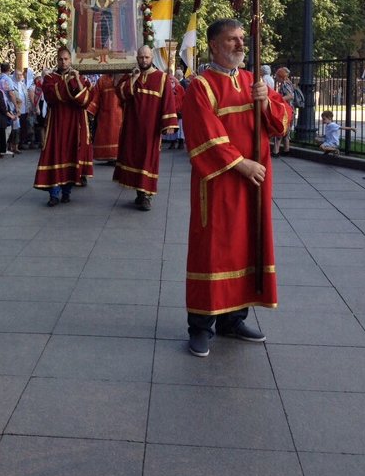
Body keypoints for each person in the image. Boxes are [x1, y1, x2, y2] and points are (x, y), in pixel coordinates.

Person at [182, 18, 293, 357]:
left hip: (254, 183)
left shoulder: (253, 81)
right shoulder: (201, 85)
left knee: (247, 247)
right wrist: (241, 164)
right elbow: (204, 132)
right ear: (214, 45)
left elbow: (281, 121)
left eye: (242, 39)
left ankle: (233, 319)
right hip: (220, 183)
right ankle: (200, 326)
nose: (240, 45)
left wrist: (266, 102)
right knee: (213, 249)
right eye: (231, 40)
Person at [113, 46, 179, 211]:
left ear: (152, 58)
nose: (144, 60)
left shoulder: (161, 78)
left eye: (147, 57)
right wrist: (133, 79)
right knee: (134, 158)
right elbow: (120, 94)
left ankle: (146, 196)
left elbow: (168, 102)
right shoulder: (130, 77)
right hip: (132, 127)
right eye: (141, 57)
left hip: (151, 129)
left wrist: (169, 124)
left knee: (148, 161)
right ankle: (140, 193)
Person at [33, 47, 93, 206]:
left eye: (66, 59)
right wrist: (68, 83)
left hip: (75, 122)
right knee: (54, 154)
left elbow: (86, 100)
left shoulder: (79, 77)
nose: (63, 62)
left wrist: (77, 81)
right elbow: (51, 96)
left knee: (72, 153)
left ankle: (67, 191)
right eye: (61, 59)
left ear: (70, 60)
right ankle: (54, 194)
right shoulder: (51, 78)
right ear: (57, 60)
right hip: (57, 122)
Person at [88, 73, 124, 164]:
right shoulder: (102, 80)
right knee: (105, 135)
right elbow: (96, 97)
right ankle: (109, 157)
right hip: (104, 113)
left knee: (118, 134)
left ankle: (118, 157)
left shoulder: (123, 77)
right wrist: (91, 111)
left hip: (120, 113)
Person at [272, 67, 294, 157]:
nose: (276, 77)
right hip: (290, 109)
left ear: (280, 76)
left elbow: (290, 96)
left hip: (286, 110)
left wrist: (278, 100)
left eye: (277, 76)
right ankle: (286, 149)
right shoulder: (289, 83)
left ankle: (275, 151)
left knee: (280, 128)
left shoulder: (285, 84)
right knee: (286, 130)